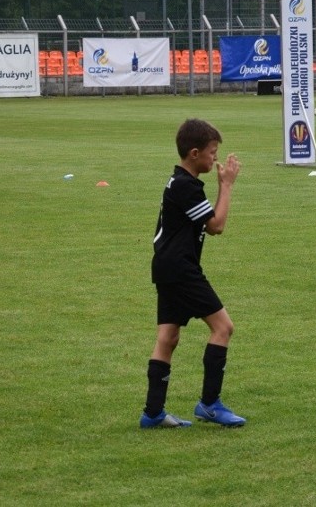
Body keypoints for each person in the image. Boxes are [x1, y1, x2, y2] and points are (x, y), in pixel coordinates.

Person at [140, 118, 246, 428]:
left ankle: (153, 413)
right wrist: (226, 186)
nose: (215, 159)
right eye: (213, 152)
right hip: (181, 268)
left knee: (168, 337)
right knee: (223, 328)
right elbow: (216, 226)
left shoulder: (179, 182)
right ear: (195, 152)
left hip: (166, 265)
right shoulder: (185, 186)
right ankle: (210, 404)